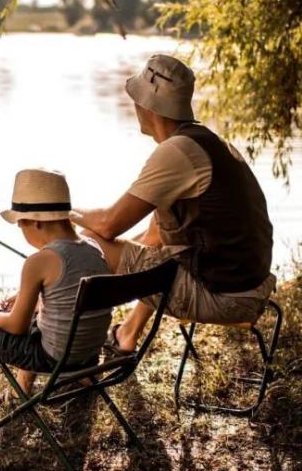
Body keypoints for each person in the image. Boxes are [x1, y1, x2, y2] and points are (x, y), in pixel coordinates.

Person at [70, 54, 275, 354]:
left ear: (146, 106)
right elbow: (152, 239)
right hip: (250, 286)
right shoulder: (205, 142)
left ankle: (65, 348)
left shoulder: (177, 152)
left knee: (87, 244)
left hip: (225, 297)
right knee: (153, 248)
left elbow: (108, 224)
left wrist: (59, 210)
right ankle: (126, 334)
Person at [0, 168, 112, 430]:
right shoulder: (94, 249)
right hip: (89, 356)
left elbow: (16, 326)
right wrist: (27, 299)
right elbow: (67, 297)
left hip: (53, 358)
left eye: (21, 224)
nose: (21, 230)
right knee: (31, 315)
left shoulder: (39, 261)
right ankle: (22, 390)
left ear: (36, 222)